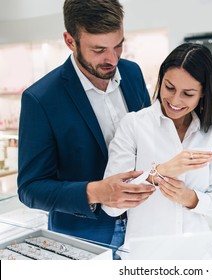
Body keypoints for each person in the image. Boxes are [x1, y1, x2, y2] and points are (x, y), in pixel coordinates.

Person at [17, 0, 155, 256]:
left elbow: (149, 138)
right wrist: (95, 192)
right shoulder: (41, 99)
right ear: (70, 41)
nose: (112, 59)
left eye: (119, 45)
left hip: (144, 227)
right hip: (82, 239)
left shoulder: (133, 73)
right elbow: (30, 188)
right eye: (99, 49)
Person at [102, 42, 212, 251]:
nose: (175, 100)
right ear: (160, 81)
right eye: (169, 87)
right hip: (144, 257)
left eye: (188, 94)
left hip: (195, 253)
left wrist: (190, 197)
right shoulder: (134, 125)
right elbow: (110, 206)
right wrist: (158, 173)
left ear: (203, 94)